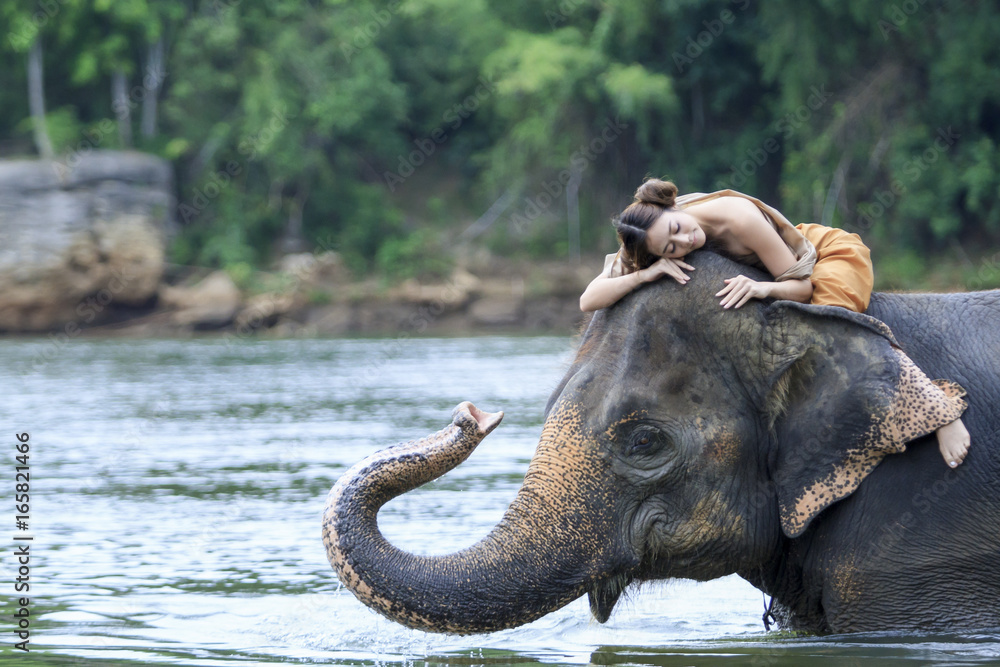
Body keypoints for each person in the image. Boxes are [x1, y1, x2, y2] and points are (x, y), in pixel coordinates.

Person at [580, 178, 971, 468]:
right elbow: (589, 299)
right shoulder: (645, 236)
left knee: (829, 321)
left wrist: (762, 290)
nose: (685, 242)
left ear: (672, 207)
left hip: (822, 262)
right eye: (671, 249)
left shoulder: (739, 219)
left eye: (677, 230)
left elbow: (801, 288)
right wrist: (644, 276)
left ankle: (938, 410)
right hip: (773, 274)